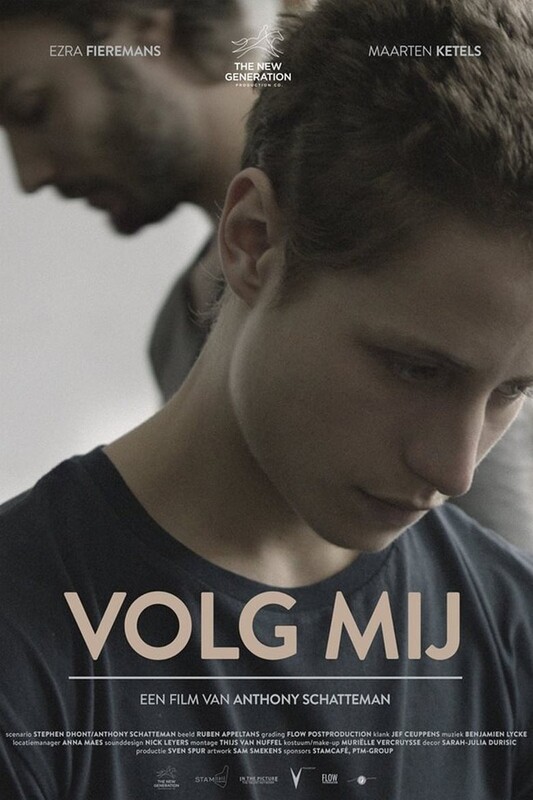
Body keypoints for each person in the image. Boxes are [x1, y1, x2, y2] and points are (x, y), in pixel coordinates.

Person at [1, 0, 533, 796]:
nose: (453, 472)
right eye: (414, 369)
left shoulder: (509, 631)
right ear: (250, 242)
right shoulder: (29, 644)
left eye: (513, 390)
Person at [1, 0, 532, 551]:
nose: (29, 175)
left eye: (32, 107)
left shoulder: (469, 251)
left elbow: (485, 573)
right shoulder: (180, 324)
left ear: (144, 27)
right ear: (247, 244)